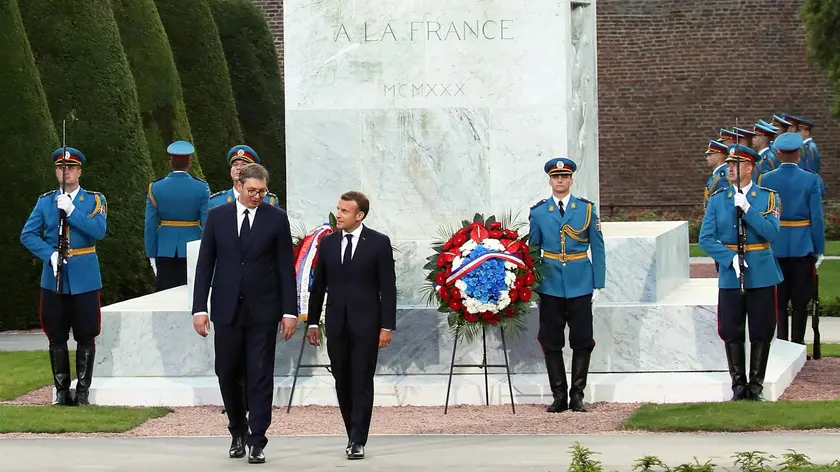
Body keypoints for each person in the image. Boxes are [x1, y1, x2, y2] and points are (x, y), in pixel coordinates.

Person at [191, 163, 298, 463]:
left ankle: (258, 439)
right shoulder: (217, 217)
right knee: (227, 371)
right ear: (238, 186)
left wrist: (290, 311)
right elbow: (205, 265)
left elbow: (284, 268)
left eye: (262, 192)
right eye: (252, 191)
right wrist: (199, 307)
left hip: (263, 309)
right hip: (226, 308)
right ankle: (237, 429)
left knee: (260, 373)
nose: (257, 197)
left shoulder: (276, 219)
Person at [306, 191, 397, 460]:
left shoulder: (379, 243)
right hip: (336, 324)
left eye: (345, 211)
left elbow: (388, 288)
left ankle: (358, 439)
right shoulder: (329, 243)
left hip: (367, 325)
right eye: (338, 209)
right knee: (342, 380)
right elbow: (318, 285)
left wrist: (386, 326)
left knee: (361, 380)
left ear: (360, 215)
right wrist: (312, 322)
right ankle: (350, 433)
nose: (339, 215)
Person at [20, 147, 107, 406]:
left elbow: (98, 230)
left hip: (85, 276)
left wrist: (72, 211)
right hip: (54, 276)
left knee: (86, 334)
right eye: (60, 168)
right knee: (56, 335)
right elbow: (27, 234)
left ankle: (82, 392)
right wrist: (50, 254)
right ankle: (61, 392)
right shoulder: (45, 201)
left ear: (79, 171)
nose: (65, 172)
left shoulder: (94, 200)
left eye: (70, 168)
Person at [698, 144, 781, 401]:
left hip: (762, 272)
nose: (730, 168)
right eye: (729, 164)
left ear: (749, 167)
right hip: (731, 274)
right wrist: (729, 258)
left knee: (761, 331)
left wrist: (747, 208)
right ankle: (738, 387)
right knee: (732, 331)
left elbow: (772, 232)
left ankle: (756, 387)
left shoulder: (768, 198)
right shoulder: (718, 199)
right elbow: (706, 238)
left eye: (736, 164)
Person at [528, 157, 606, 413]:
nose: (559, 181)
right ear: (550, 180)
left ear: (571, 180)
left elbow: (597, 246)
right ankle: (559, 395)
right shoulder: (539, 212)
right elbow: (534, 249)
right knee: (551, 340)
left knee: (582, 340)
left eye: (564, 176)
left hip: (579, 282)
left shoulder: (585, 209)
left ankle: (577, 395)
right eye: (555, 177)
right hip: (550, 284)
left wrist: (598, 281)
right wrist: (532, 282)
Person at [757, 132, 825, 344]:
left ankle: (781, 341)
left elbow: (763, 215)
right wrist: (819, 248)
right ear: (799, 153)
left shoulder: (766, 179)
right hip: (802, 245)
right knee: (800, 301)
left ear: (777, 153)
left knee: (778, 300)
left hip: (775, 245)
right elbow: (817, 218)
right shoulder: (811, 179)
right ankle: (797, 343)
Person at [144, 141, 210, 291]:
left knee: (165, 297)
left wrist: (151, 254)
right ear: (189, 163)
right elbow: (207, 222)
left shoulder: (156, 187)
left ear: (170, 163)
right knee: (192, 296)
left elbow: (150, 224)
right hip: (193, 246)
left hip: (164, 248)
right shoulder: (201, 187)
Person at [209, 145, 280, 208]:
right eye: (235, 164)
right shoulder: (215, 202)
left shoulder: (268, 201)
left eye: (244, 164)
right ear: (231, 169)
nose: (238, 168)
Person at [704, 139, 729, 208]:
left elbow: (724, 203)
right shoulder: (717, 174)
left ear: (718, 157)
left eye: (710, 155)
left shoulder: (723, 176)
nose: (707, 158)